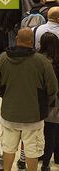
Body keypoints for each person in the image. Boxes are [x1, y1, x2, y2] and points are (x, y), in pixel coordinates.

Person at [0, 27, 58, 171]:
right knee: (32, 150)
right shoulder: (42, 62)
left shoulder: (3, 58)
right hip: (34, 116)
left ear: (16, 40)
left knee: (8, 148)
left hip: (9, 114)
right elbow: (52, 89)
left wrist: (8, 96)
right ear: (32, 42)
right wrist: (44, 103)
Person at [39, 32, 59, 171]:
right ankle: (47, 163)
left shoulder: (37, 59)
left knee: (39, 132)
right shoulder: (57, 61)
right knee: (53, 132)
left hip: (38, 101)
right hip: (55, 102)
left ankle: (40, 156)